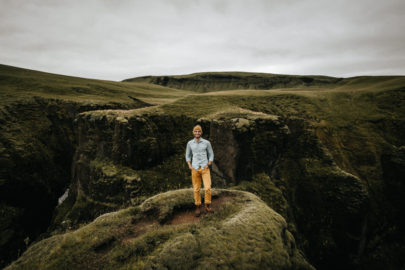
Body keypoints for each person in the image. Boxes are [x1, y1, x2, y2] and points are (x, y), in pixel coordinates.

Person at [185, 125, 214, 217]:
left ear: (201, 133)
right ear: (193, 132)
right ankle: (197, 206)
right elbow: (188, 155)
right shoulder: (190, 143)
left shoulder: (206, 143)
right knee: (196, 189)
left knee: (207, 187)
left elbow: (211, 154)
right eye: (195, 131)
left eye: (199, 131)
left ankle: (207, 205)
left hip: (205, 168)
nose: (197, 133)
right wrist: (189, 165)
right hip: (195, 168)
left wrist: (208, 164)